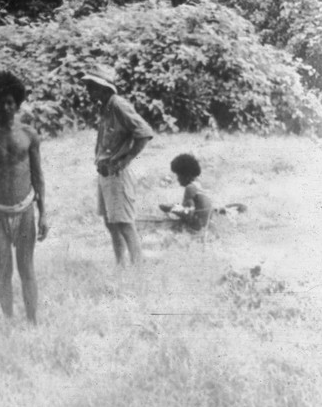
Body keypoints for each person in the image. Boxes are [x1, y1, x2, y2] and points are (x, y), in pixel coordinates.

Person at [0, 71, 49, 324]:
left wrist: (44, 213)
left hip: (25, 210)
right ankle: (9, 323)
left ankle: (33, 323)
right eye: (1, 102)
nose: (7, 107)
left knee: (26, 269)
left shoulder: (29, 135)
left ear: (18, 102)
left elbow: (38, 175)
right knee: (4, 270)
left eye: (11, 101)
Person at [82, 64, 154, 266]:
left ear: (103, 88)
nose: (88, 90)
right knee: (110, 222)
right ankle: (121, 266)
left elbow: (144, 132)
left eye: (91, 86)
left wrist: (124, 160)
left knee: (124, 223)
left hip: (117, 173)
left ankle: (138, 268)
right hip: (105, 172)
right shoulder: (105, 106)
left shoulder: (118, 105)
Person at [160, 153, 246, 231]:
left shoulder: (190, 189)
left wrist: (172, 209)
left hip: (196, 228)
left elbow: (189, 213)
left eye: (178, 175)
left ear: (186, 175)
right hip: (208, 226)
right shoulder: (199, 186)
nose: (177, 179)